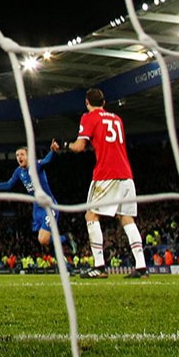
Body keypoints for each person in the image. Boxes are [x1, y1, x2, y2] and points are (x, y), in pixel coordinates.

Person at [67, 87, 147, 279]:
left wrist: (64, 146)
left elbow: (79, 147)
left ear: (87, 103)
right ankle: (142, 266)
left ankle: (99, 266)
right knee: (127, 218)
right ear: (104, 102)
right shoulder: (117, 119)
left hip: (106, 174)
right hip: (126, 175)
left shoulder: (89, 118)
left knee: (91, 215)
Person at [0, 141, 72, 250]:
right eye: (17, 155)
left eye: (22, 154)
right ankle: (64, 244)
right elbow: (8, 185)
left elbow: (46, 161)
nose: (19, 157)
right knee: (43, 241)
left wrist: (53, 152)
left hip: (49, 206)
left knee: (44, 239)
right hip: (37, 208)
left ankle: (65, 239)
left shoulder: (36, 165)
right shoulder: (19, 172)